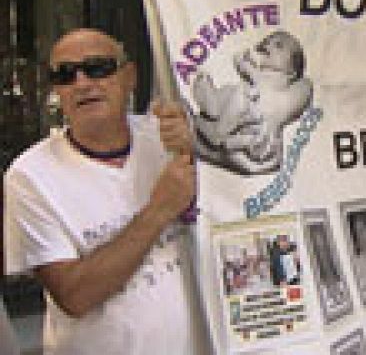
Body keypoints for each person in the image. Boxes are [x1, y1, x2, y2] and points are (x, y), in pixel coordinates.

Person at [3, 28, 204, 355]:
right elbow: (75, 295)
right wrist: (159, 211)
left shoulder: (169, 139)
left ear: (130, 77)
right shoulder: (29, 176)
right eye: (66, 74)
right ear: (57, 90)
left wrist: (203, 153)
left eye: (98, 68)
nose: (82, 83)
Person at [192, 30, 313, 175]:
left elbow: (240, 62)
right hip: (243, 121)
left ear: (292, 72)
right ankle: (213, 106)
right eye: (267, 42)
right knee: (230, 92)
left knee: (240, 95)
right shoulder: (258, 75)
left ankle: (218, 132)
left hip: (256, 134)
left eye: (279, 45)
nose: (269, 45)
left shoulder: (280, 79)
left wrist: (245, 60)